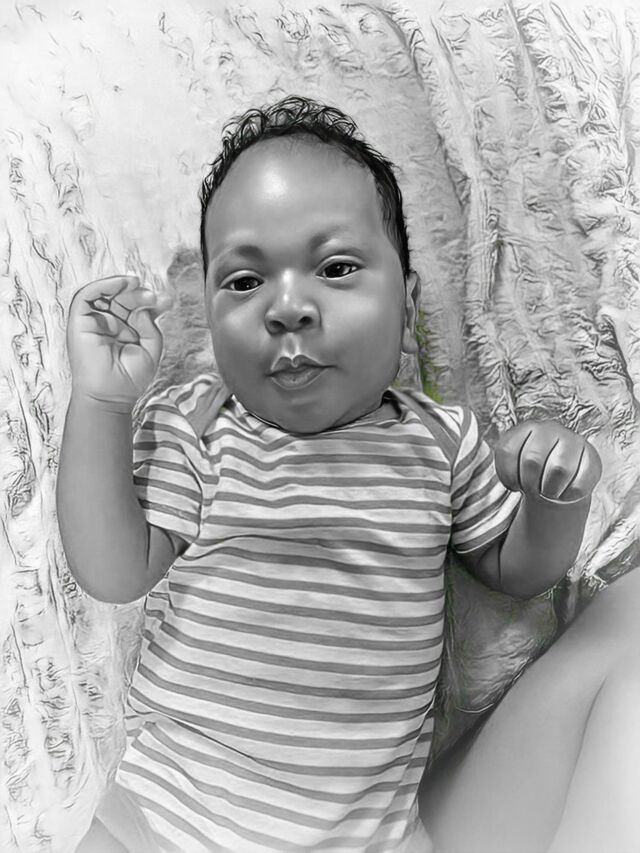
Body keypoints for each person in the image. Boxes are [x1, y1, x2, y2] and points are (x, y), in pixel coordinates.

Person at [56, 95, 615, 853]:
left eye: (337, 267)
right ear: (210, 317)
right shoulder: (199, 425)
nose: (288, 307)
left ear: (407, 305)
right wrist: (100, 401)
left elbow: (518, 573)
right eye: (244, 281)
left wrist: (555, 499)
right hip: (164, 818)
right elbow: (112, 570)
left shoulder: (439, 442)